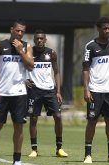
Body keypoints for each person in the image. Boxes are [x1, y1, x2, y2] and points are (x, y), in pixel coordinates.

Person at [0, 19, 34, 165]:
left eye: (22, 31)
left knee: (19, 127)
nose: (20, 33)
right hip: (2, 93)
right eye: (17, 30)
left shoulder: (26, 46)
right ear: (11, 30)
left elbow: (30, 66)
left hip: (19, 94)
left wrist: (21, 51)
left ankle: (17, 161)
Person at [82, 17, 109, 164]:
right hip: (95, 90)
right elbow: (86, 69)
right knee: (92, 121)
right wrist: (86, 89)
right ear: (99, 29)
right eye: (104, 28)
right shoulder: (90, 46)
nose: (107, 30)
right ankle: (88, 154)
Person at [26, 29, 68, 158]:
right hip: (34, 91)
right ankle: (34, 149)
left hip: (49, 91)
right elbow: (20, 68)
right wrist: (24, 79)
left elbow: (56, 72)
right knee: (33, 119)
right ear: (34, 40)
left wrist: (58, 91)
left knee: (58, 116)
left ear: (45, 40)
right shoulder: (29, 53)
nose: (39, 40)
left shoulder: (51, 53)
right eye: (37, 38)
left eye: (41, 38)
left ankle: (59, 148)